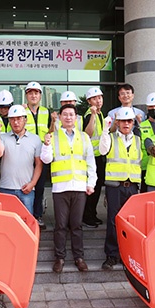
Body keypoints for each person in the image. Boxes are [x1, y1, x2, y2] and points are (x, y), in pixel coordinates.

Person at [40, 104, 96, 273]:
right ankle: (60, 258)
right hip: (60, 188)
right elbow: (46, 159)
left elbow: (90, 162)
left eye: (71, 115)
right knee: (60, 225)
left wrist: (91, 183)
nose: (68, 117)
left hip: (79, 187)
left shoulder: (84, 137)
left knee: (77, 225)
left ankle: (79, 258)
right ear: (60, 118)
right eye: (65, 115)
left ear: (77, 118)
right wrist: (46, 145)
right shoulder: (53, 136)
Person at [99, 107, 142, 270]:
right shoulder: (110, 137)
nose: (126, 124)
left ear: (133, 123)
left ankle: (128, 255)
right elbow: (103, 150)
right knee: (112, 220)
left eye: (129, 121)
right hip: (115, 186)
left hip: (131, 186)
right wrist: (105, 130)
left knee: (130, 222)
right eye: (123, 121)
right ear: (117, 122)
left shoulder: (138, 140)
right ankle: (111, 255)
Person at [0, 105, 43, 214]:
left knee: (26, 222)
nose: (16, 122)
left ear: (25, 119)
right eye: (12, 119)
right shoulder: (2, 137)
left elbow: (39, 164)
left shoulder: (35, 139)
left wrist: (32, 184)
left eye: (19, 119)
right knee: (6, 222)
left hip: (26, 189)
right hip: (6, 187)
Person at [24, 81, 52, 229]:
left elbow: (50, 131)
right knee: (25, 184)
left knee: (39, 186)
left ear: (40, 95)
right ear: (26, 95)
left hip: (41, 155)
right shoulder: (21, 111)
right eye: (30, 92)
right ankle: (25, 214)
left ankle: (37, 215)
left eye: (36, 92)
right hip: (25, 155)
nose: (33, 95)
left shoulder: (46, 112)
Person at [82, 87, 106, 228]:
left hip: (99, 156)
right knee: (91, 187)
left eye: (100, 97)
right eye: (95, 98)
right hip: (90, 158)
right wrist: (91, 115)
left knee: (97, 188)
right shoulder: (88, 114)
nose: (98, 100)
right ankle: (87, 215)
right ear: (89, 101)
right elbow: (88, 133)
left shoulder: (100, 114)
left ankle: (92, 213)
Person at [138, 92, 155, 193]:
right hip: (145, 168)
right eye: (151, 106)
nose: (154, 108)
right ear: (147, 108)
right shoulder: (140, 126)